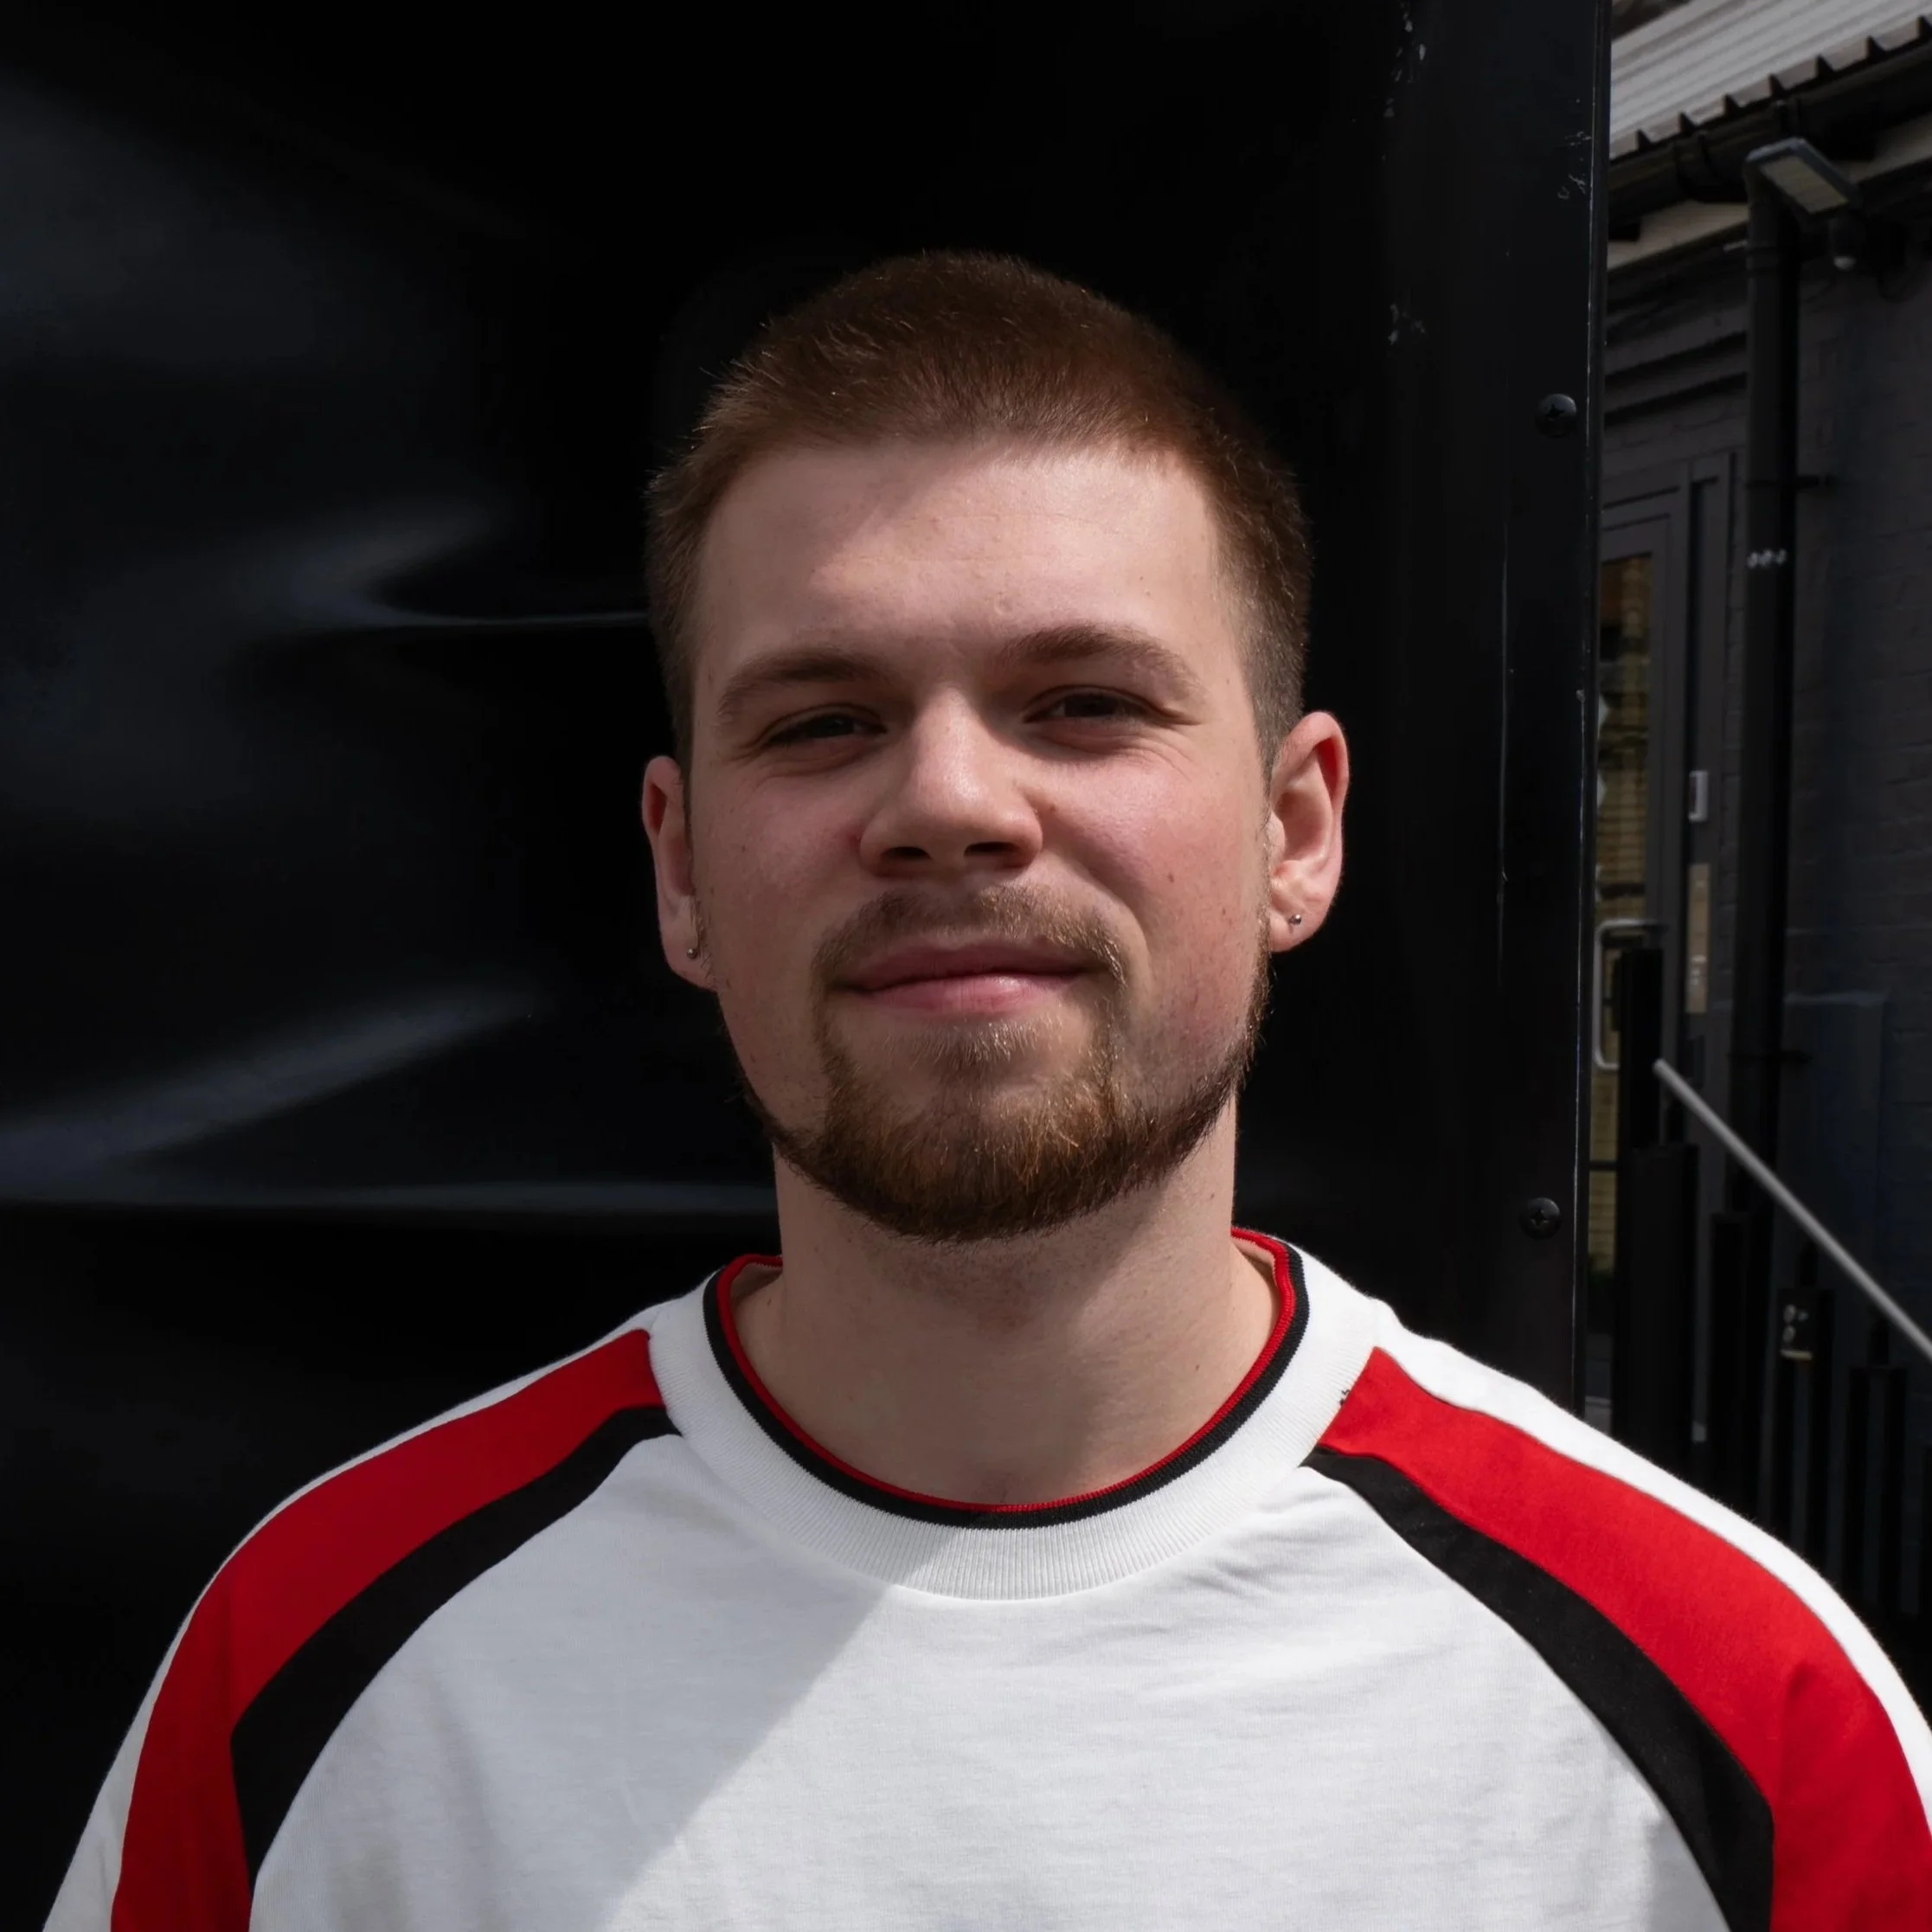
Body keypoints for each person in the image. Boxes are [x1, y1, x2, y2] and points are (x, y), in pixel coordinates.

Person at [50, 253, 1932, 1932]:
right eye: (823, 721)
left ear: (1295, 829)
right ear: (683, 865)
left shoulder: (1739, 1716)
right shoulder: (312, 1668)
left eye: (1084, 702)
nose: (950, 803)